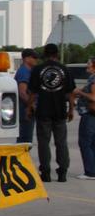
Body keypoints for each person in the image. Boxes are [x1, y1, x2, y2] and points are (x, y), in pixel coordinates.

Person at [28, 43, 76, 183]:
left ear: (45, 54)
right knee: (61, 142)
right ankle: (62, 172)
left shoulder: (38, 69)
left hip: (43, 111)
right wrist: (71, 110)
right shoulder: (64, 69)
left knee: (44, 142)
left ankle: (46, 172)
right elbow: (70, 92)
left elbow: (33, 92)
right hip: (60, 111)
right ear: (56, 54)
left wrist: (29, 107)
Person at [74, 57, 95, 180]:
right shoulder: (91, 79)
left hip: (89, 114)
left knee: (85, 142)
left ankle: (90, 171)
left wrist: (80, 93)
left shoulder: (93, 79)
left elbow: (93, 97)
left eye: (89, 64)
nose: (87, 66)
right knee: (92, 143)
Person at [15, 49, 38, 144]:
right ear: (27, 58)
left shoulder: (28, 71)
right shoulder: (24, 72)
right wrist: (32, 105)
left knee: (26, 138)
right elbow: (22, 92)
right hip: (25, 110)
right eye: (34, 58)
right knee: (25, 140)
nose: (36, 60)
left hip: (26, 109)